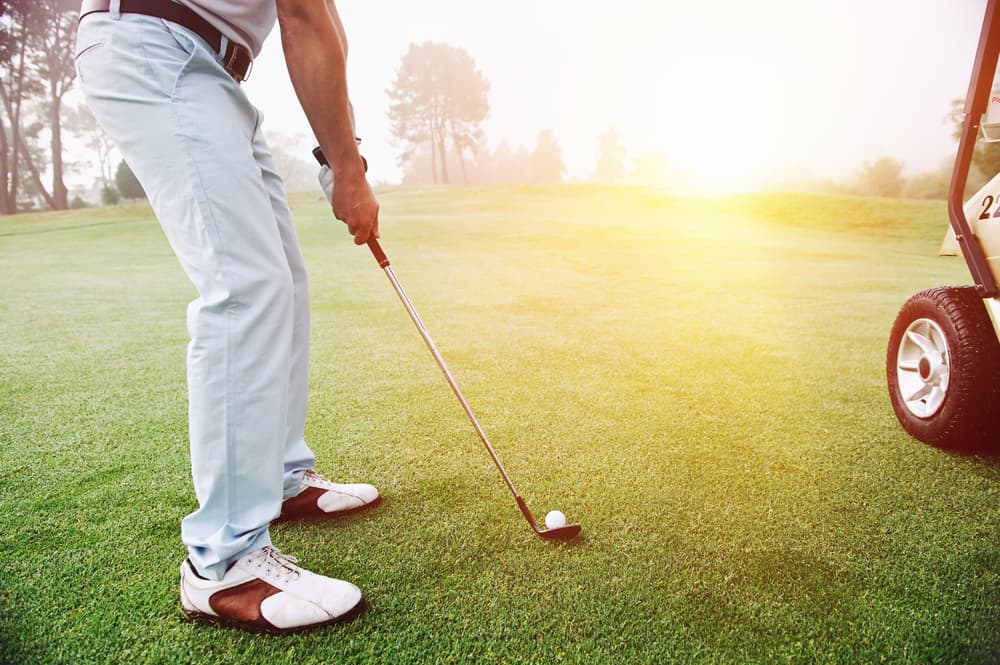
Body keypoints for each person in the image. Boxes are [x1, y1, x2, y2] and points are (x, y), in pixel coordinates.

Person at [75, 0, 381, 634]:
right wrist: (347, 170)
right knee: (246, 285)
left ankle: (278, 476)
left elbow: (323, 24)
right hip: (153, 43)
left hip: (204, 65)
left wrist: (341, 154)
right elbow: (301, 17)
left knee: (283, 280)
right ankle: (223, 563)